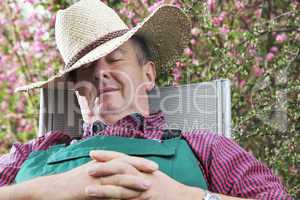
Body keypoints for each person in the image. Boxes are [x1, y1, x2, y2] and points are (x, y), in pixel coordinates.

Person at [0, 0, 293, 199]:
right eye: (86, 69)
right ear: (76, 89)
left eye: (115, 60)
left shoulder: (206, 147)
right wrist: (46, 190)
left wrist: (187, 195)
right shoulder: (34, 152)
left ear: (148, 75)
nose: (101, 73)